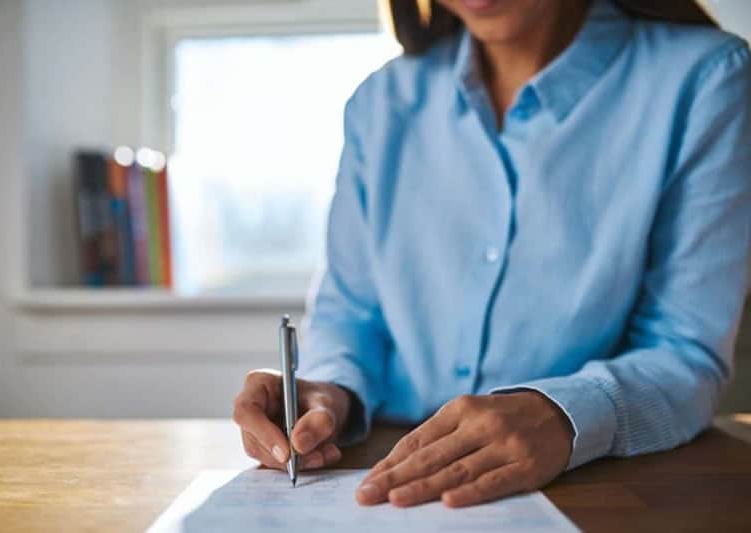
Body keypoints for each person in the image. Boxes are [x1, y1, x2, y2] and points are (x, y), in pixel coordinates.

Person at [233, 0, 751, 508]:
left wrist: (563, 414)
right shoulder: (381, 101)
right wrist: (330, 392)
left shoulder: (706, 77)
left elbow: (686, 353)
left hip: (596, 488)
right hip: (380, 475)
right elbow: (351, 314)